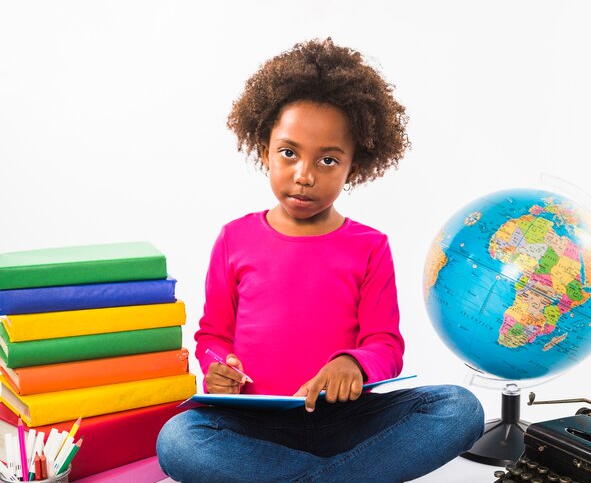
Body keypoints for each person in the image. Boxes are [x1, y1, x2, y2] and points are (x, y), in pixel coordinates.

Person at [157, 38, 484, 482]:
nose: (305, 175)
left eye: (328, 160)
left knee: (459, 408)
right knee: (177, 438)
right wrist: (219, 367)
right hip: (255, 423)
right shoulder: (235, 238)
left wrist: (353, 363)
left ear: (355, 165)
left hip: (346, 420)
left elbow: (386, 346)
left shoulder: (369, 246)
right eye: (288, 153)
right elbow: (212, 335)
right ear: (264, 148)